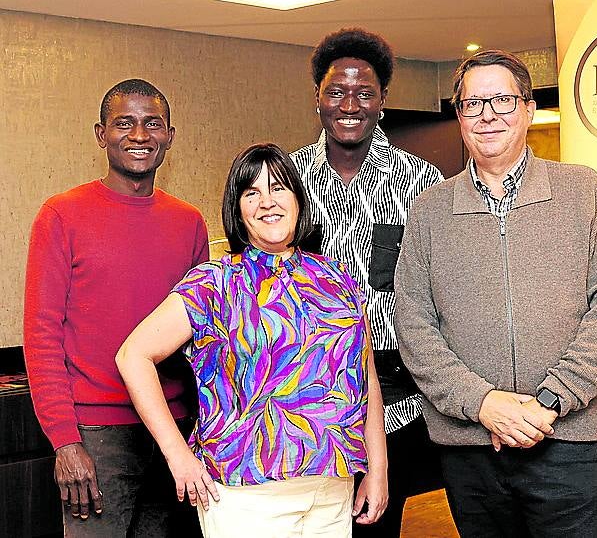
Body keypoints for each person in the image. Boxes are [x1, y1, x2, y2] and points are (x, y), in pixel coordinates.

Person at [395, 49, 597, 537]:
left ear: (527, 108)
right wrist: (484, 403)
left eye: (502, 100)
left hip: (568, 440)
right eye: (472, 104)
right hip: (471, 449)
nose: (487, 115)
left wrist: (547, 403)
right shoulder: (430, 209)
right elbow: (413, 322)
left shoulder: (581, 191)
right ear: (459, 116)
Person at [115, 143, 388, 538]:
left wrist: (377, 468)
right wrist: (178, 456)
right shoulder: (216, 282)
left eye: (278, 187)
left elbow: (366, 377)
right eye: (251, 192)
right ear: (238, 210)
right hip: (245, 496)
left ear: (298, 198)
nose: (267, 202)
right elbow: (133, 355)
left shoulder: (337, 275)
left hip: (332, 489)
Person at [23, 79, 209, 537]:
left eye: (153, 124)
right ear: (100, 134)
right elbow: (42, 335)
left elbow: (203, 338)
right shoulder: (62, 215)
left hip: (175, 429)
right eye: (124, 123)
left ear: (170, 136)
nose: (140, 135)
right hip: (96, 435)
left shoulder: (189, 222)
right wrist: (65, 441)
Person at [291, 27, 444, 536]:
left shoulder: (421, 181)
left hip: (399, 399)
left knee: (376, 524)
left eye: (364, 92)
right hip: (304, 399)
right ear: (317, 99)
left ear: (383, 101)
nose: (349, 104)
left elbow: (444, 290)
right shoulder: (283, 181)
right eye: (336, 92)